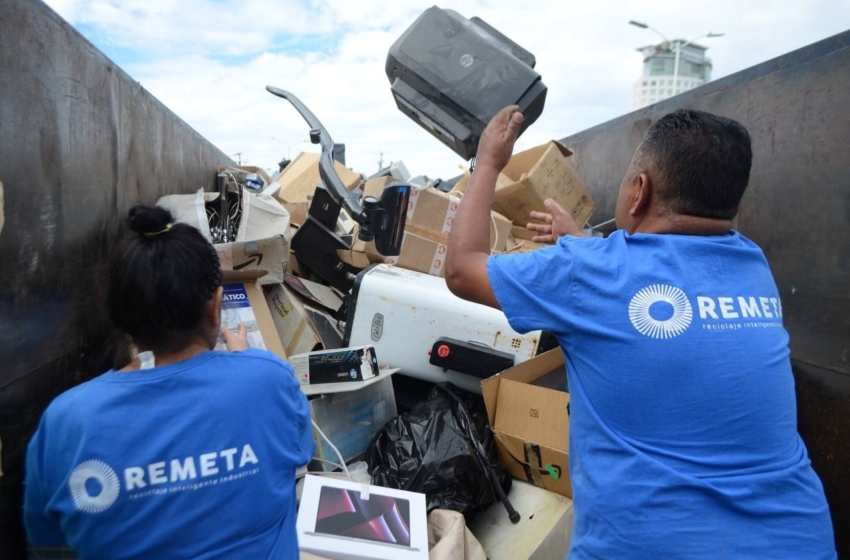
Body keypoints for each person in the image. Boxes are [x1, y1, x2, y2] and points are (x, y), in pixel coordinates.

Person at [446, 107, 837, 559]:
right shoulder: (752, 266)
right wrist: (581, 245)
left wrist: (489, 162)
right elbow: (661, 282)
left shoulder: (588, 273)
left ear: (639, 191)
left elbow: (461, 268)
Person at [24, 205, 314, 559]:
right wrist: (246, 365)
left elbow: (48, 543)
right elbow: (296, 459)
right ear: (215, 305)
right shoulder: (270, 380)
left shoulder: (64, 422)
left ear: (120, 319)